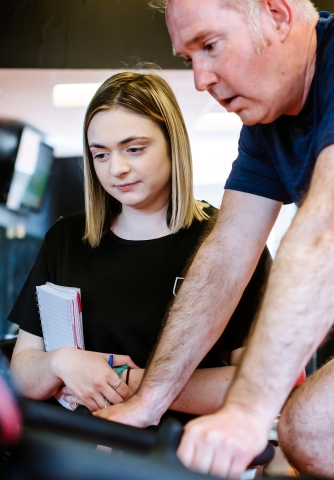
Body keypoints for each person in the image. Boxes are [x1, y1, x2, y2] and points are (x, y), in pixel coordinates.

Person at [96, 1, 334, 478]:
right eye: (188, 58)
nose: (201, 78)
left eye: (210, 47)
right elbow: (228, 253)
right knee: (314, 430)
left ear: (277, 15)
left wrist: (247, 411)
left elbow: (332, 228)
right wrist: (149, 400)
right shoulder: (267, 127)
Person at [9, 70, 271, 418]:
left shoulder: (229, 242)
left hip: (175, 457)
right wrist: (62, 362)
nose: (116, 168)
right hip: (79, 450)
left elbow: (258, 384)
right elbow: (23, 371)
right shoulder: (66, 240)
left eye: (133, 149)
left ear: (172, 143)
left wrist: (130, 383)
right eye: (100, 155)